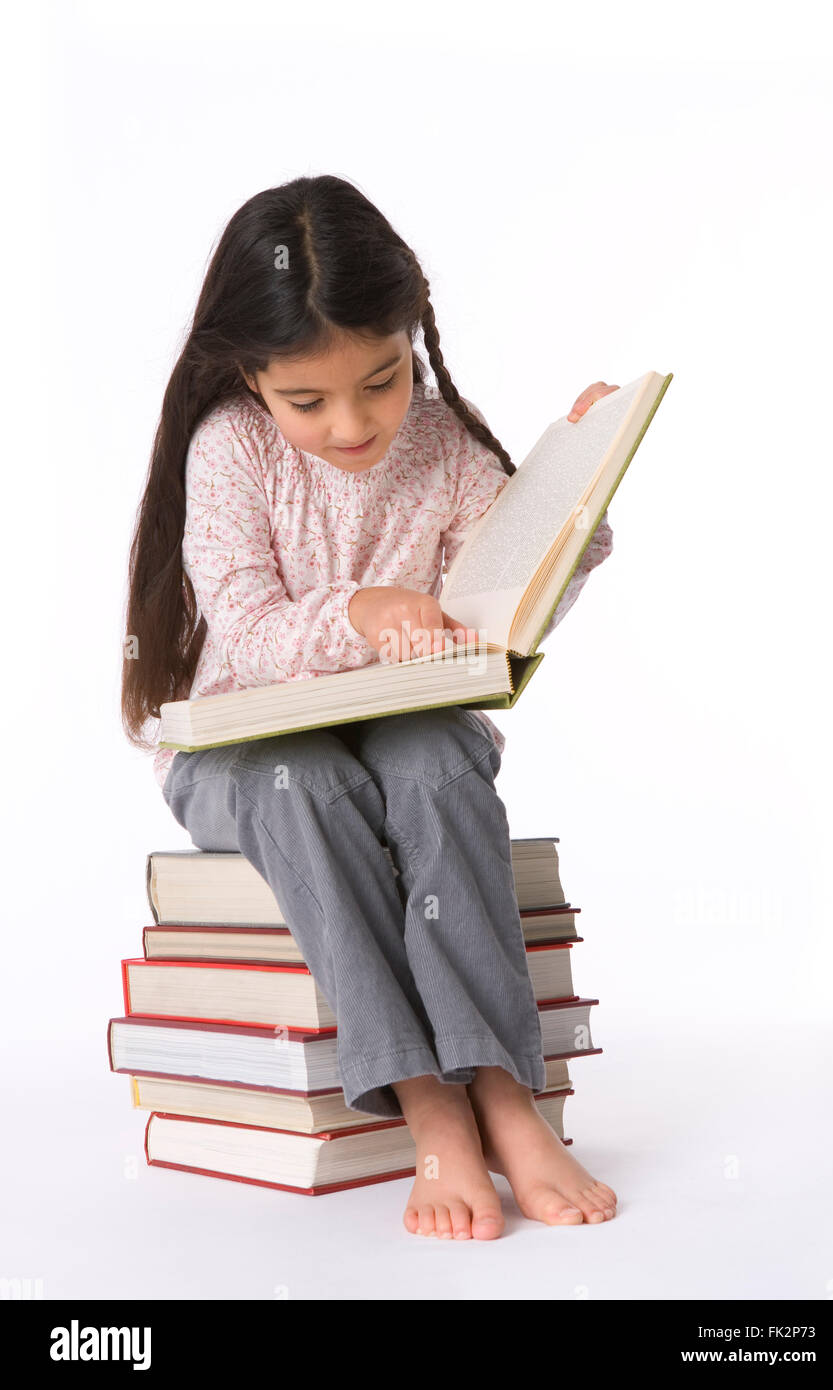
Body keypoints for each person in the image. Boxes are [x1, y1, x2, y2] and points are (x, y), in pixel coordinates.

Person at [121, 174, 618, 1241]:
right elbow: (248, 636)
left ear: (412, 334)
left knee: (435, 764)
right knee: (313, 784)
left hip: (399, 734)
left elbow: (511, 590)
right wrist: (364, 608)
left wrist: (575, 499)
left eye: (382, 382)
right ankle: (428, 1097)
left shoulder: (439, 445)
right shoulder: (230, 450)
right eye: (308, 400)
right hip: (246, 749)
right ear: (249, 373)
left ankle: (498, 1084)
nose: (352, 424)